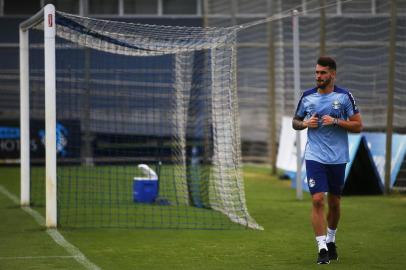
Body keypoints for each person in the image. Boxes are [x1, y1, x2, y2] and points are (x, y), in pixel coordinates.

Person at [292, 56, 363, 264]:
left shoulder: (344, 97)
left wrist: (337, 121)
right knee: (317, 200)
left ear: (332, 74)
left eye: (322, 73)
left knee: (334, 203)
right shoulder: (307, 97)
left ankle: (331, 240)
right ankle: (322, 247)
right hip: (315, 156)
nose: (318, 76)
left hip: (338, 157)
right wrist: (305, 123)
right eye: (316, 73)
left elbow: (358, 126)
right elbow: (295, 122)